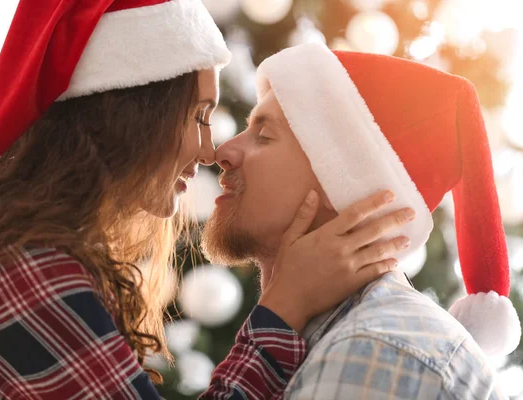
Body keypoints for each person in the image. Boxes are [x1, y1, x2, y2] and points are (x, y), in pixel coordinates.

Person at [0, 2, 414, 399]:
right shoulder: (28, 266)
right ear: (131, 121)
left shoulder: (23, 247)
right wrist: (286, 306)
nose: (212, 149)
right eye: (199, 116)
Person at [202, 42, 521, 399]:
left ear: (340, 181)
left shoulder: (378, 348)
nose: (223, 152)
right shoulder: (338, 337)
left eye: (264, 136)